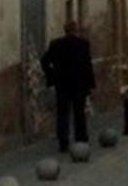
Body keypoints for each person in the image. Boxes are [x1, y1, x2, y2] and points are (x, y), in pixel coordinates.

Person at [41, 20, 96, 152]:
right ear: (76, 30)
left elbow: (44, 61)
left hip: (62, 84)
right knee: (79, 113)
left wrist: (52, 76)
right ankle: (81, 139)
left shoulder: (56, 44)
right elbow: (88, 66)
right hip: (79, 84)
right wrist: (90, 85)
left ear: (65, 30)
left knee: (62, 114)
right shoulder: (83, 44)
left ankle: (63, 142)